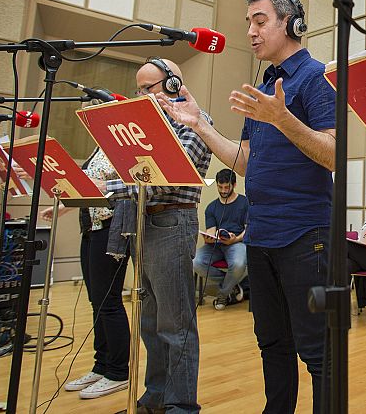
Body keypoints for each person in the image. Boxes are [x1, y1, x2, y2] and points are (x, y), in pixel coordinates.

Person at [157, 0, 335, 414]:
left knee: (317, 350)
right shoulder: (264, 86)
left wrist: (283, 118)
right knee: (272, 342)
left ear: (293, 24)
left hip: (306, 235)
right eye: (249, 24)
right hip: (261, 235)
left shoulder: (317, 77)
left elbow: (332, 153)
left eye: (260, 21)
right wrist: (199, 124)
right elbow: (243, 161)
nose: (251, 33)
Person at [95, 57, 212, 414]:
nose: (141, 95)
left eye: (149, 88)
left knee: (175, 325)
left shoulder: (195, 123)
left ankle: (180, 406)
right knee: (149, 322)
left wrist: (107, 184)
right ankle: (156, 398)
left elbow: (163, 180)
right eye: (138, 89)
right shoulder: (142, 129)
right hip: (143, 224)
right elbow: (133, 175)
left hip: (171, 223)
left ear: (174, 85)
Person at [37, 145, 130, 400]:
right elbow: (84, 188)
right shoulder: (96, 149)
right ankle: (101, 366)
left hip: (111, 227)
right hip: (90, 226)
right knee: (96, 301)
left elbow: (126, 186)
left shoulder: (121, 147)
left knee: (108, 301)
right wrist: (64, 207)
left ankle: (119, 372)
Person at [193, 168, 248, 310]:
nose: (223, 190)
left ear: (234, 185)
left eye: (226, 187)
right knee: (195, 262)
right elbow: (211, 230)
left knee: (238, 263)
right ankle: (232, 286)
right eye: (220, 187)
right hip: (216, 245)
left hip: (237, 243)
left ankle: (223, 294)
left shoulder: (244, 203)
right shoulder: (211, 207)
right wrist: (209, 238)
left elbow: (248, 230)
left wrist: (235, 239)